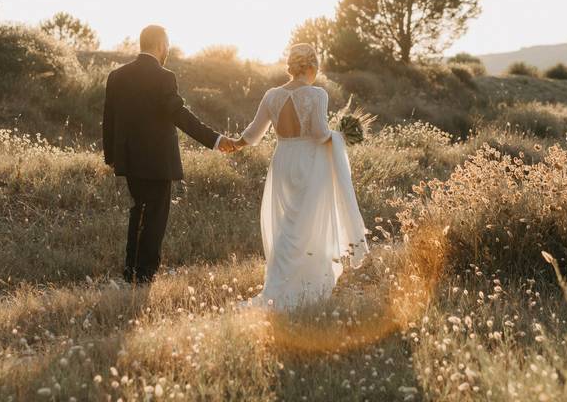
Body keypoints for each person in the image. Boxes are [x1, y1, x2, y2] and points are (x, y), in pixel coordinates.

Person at [228, 43, 369, 309]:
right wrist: (339, 137)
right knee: (306, 224)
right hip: (309, 161)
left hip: (283, 160)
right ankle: (303, 285)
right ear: (312, 66)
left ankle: (278, 283)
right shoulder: (317, 95)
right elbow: (318, 133)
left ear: (292, 66)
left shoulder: (272, 95)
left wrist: (234, 143)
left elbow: (253, 134)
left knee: (286, 225)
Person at [102, 24, 236, 283]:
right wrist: (215, 139)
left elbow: (108, 118)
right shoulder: (164, 77)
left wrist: (112, 156)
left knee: (138, 211)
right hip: (157, 162)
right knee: (154, 217)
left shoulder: (117, 76)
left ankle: (132, 269)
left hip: (129, 159)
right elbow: (180, 115)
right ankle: (145, 274)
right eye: (168, 45)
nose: (168, 50)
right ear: (161, 45)